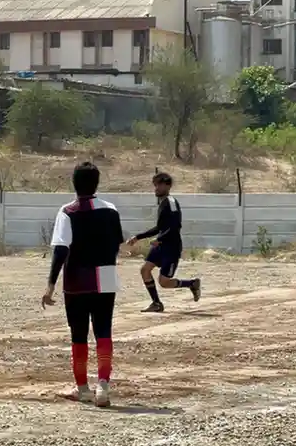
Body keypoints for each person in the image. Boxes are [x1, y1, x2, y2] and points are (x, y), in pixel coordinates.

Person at [41, 162, 125, 407]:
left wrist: (50, 285)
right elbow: (116, 244)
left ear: (74, 183)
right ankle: (103, 387)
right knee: (104, 331)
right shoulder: (111, 210)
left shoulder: (67, 211)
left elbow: (60, 250)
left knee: (78, 335)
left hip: (77, 280)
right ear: (97, 183)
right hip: (106, 277)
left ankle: (83, 389)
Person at [127, 172, 201, 313]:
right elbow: (159, 228)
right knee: (145, 270)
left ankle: (192, 283)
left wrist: (160, 239)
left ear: (168, 186)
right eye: (155, 185)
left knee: (164, 282)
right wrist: (138, 237)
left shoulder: (171, 203)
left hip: (171, 247)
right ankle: (156, 303)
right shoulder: (163, 203)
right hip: (161, 245)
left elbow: (175, 226)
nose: (156, 188)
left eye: (159, 185)